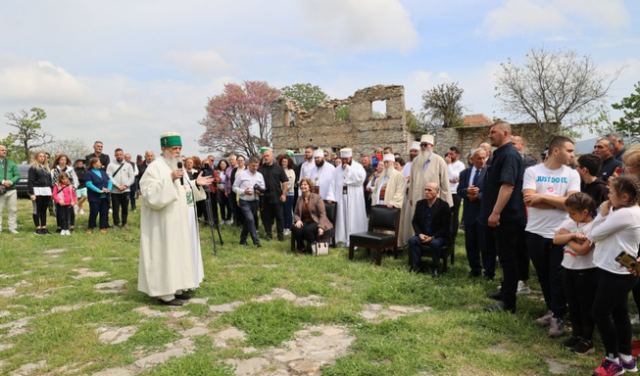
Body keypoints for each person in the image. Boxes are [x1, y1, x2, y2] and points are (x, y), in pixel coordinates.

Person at [138, 132, 212, 306]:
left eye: (179, 148)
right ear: (164, 149)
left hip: (181, 221)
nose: (177, 151)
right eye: (174, 148)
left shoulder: (179, 166)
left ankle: (178, 287)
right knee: (166, 252)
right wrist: (169, 178)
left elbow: (183, 189)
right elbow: (148, 192)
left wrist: (196, 184)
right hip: (163, 222)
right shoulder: (155, 167)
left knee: (178, 252)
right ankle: (164, 292)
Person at [522, 136, 580, 335]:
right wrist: (560, 201)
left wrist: (543, 196)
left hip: (560, 233)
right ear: (556, 151)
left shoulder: (572, 174)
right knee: (543, 274)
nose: (573, 155)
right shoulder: (532, 171)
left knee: (557, 276)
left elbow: (573, 204)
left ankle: (558, 317)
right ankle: (552, 309)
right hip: (535, 231)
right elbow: (529, 201)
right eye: (570, 150)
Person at [588, 176, 640, 375]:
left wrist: (601, 214)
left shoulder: (624, 214)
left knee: (600, 312)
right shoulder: (630, 211)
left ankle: (613, 360)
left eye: (611, 192)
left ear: (625, 197)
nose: (607, 196)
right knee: (619, 312)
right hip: (621, 265)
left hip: (616, 271)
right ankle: (626, 357)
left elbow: (593, 233)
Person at [482, 122, 526, 313]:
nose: (490, 135)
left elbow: (507, 186)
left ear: (505, 133)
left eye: (493, 132)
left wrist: (496, 211)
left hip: (507, 217)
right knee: (504, 257)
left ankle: (509, 303)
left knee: (509, 259)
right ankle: (505, 290)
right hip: (501, 216)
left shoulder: (509, 155)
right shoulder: (500, 153)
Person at [552, 192, 597, 354]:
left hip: (585, 271)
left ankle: (587, 339)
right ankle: (576, 335)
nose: (569, 216)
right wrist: (572, 236)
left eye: (572, 213)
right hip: (568, 268)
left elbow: (582, 250)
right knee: (572, 303)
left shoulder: (593, 226)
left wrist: (566, 239)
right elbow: (556, 239)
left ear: (585, 212)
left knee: (585, 305)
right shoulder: (571, 222)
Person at [399, 134, 452, 247]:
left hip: (434, 201)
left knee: (433, 224)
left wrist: (446, 203)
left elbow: (445, 184)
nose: (423, 147)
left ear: (432, 146)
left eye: (425, 145)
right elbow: (412, 182)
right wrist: (411, 197)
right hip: (418, 199)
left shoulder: (439, 161)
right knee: (417, 222)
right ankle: (415, 245)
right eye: (421, 145)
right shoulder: (416, 161)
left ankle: (432, 243)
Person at [458, 148, 493, 279]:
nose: (482, 161)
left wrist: (479, 196)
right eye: (479, 158)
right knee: (471, 244)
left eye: (484, 158)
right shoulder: (465, 173)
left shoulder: (490, 172)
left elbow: (492, 192)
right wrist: (467, 191)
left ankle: (489, 272)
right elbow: (459, 190)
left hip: (484, 213)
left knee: (486, 245)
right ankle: (475, 269)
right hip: (469, 214)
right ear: (472, 159)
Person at [408, 182, 451, 276]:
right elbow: (414, 222)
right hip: (423, 235)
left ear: (436, 192)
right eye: (425, 189)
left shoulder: (444, 206)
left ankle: (436, 268)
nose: (426, 192)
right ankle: (416, 266)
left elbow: (446, 227)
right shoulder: (420, 204)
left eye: (429, 190)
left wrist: (432, 237)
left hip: (438, 236)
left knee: (435, 243)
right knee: (412, 240)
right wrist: (419, 234)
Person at [333, 148, 367, 247]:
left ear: (351, 157)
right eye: (342, 159)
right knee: (342, 217)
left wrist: (349, 169)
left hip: (354, 198)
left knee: (353, 216)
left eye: (346, 159)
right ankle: (342, 239)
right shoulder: (337, 169)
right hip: (341, 197)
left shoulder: (358, 167)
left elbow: (360, 180)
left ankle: (355, 239)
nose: (344, 161)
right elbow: (334, 182)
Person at [292, 178, 333, 253]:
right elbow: (296, 213)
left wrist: (321, 227)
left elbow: (322, 214)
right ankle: (301, 247)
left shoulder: (317, 197)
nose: (302, 186)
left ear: (310, 186)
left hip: (316, 221)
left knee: (308, 229)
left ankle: (313, 248)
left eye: (305, 184)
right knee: (295, 228)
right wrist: (298, 220)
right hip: (304, 221)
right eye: (301, 185)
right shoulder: (299, 198)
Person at [233, 156, 265, 247]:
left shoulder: (260, 175)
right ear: (248, 165)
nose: (255, 168)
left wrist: (260, 191)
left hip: (255, 201)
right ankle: (256, 242)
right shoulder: (241, 175)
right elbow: (234, 187)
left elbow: (263, 188)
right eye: (253, 166)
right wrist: (243, 191)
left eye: (256, 166)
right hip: (244, 201)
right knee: (250, 219)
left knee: (248, 221)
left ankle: (242, 240)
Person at [259, 148, 288, 241]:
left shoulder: (278, 168)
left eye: (267, 156)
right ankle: (269, 234)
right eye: (264, 156)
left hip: (277, 197)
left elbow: (285, 182)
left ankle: (280, 236)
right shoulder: (260, 169)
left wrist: (284, 194)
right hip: (264, 198)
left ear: (272, 156)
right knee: (266, 217)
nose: (265, 158)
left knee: (279, 217)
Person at [107, 148, 136, 228]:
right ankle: (116, 223)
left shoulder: (128, 165)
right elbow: (109, 176)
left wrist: (126, 185)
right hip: (115, 191)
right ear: (115, 155)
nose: (119, 156)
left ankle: (124, 223)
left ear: (123, 155)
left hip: (125, 190)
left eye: (121, 154)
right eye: (117, 155)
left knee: (125, 208)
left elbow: (132, 177)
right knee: (115, 208)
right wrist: (117, 185)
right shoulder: (111, 165)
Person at [446, 146, 466, 254]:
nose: (449, 156)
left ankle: (452, 236)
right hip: (446, 192)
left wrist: (449, 165)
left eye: (451, 154)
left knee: (454, 215)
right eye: (448, 154)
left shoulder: (460, 165)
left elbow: (455, 178)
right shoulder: (446, 163)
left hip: (455, 193)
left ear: (457, 155)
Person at [28, 152, 53, 235]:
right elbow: (30, 181)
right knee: (37, 209)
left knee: (44, 210)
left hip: (46, 191)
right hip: (37, 190)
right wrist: (32, 193)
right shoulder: (33, 168)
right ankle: (38, 228)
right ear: (36, 157)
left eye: (44, 157)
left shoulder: (47, 168)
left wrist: (51, 191)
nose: (42, 158)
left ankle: (44, 227)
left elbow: (50, 181)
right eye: (40, 156)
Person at [85, 158, 112, 233]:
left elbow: (109, 181)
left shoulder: (103, 172)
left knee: (104, 212)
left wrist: (108, 189)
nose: (100, 163)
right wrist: (99, 191)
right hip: (94, 197)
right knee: (94, 212)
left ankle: (103, 227)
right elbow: (89, 184)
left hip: (105, 197)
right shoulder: (89, 173)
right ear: (94, 164)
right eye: (99, 162)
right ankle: (90, 227)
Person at [0, 144, 20, 234]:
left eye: (5, 150)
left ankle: (12, 227)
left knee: (13, 209)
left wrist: (11, 181)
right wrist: (3, 181)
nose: (4, 151)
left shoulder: (11, 163)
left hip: (12, 190)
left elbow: (17, 175)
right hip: (0, 190)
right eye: (2, 150)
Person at [279, 154, 296, 236]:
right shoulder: (279, 170)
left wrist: (284, 191)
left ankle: (288, 228)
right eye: (282, 161)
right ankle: (282, 227)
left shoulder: (291, 171)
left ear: (288, 162)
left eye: (285, 161)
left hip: (289, 194)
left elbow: (290, 184)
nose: (284, 163)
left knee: (288, 211)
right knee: (281, 211)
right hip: (280, 194)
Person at [230, 155, 246, 227]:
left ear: (244, 161)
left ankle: (244, 223)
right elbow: (232, 180)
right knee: (236, 208)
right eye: (238, 160)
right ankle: (238, 223)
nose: (240, 162)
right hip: (236, 192)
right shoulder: (234, 170)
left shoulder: (247, 170)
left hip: (244, 192)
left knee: (244, 208)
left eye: (241, 160)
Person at [217, 159, 232, 225]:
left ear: (226, 164)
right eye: (221, 164)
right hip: (220, 191)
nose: (222, 165)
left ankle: (228, 218)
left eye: (224, 164)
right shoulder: (217, 172)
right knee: (221, 205)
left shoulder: (228, 171)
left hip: (227, 190)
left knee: (229, 205)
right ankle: (223, 219)